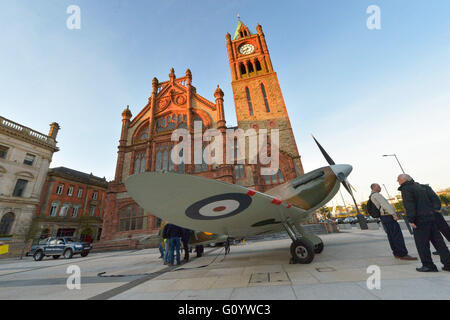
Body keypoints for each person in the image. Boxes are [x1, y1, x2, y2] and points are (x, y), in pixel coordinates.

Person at [398, 174, 450, 272]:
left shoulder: (406, 189)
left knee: (422, 244)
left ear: (404, 180)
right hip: (431, 218)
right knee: (439, 243)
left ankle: (428, 265)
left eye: (398, 179)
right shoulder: (421, 187)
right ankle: (448, 263)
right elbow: (433, 200)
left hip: (420, 220)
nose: (397, 181)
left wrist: (411, 220)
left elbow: (410, 205)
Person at [369, 183, 417, 261]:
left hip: (384, 217)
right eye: (378, 186)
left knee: (391, 236)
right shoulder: (377, 195)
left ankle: (396, 253)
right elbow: (385, 205)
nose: (380, 187)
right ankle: (403, 254)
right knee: (397, 236)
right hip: (388, 216)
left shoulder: (372, 196)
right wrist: (393, 214)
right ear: (374, 188)